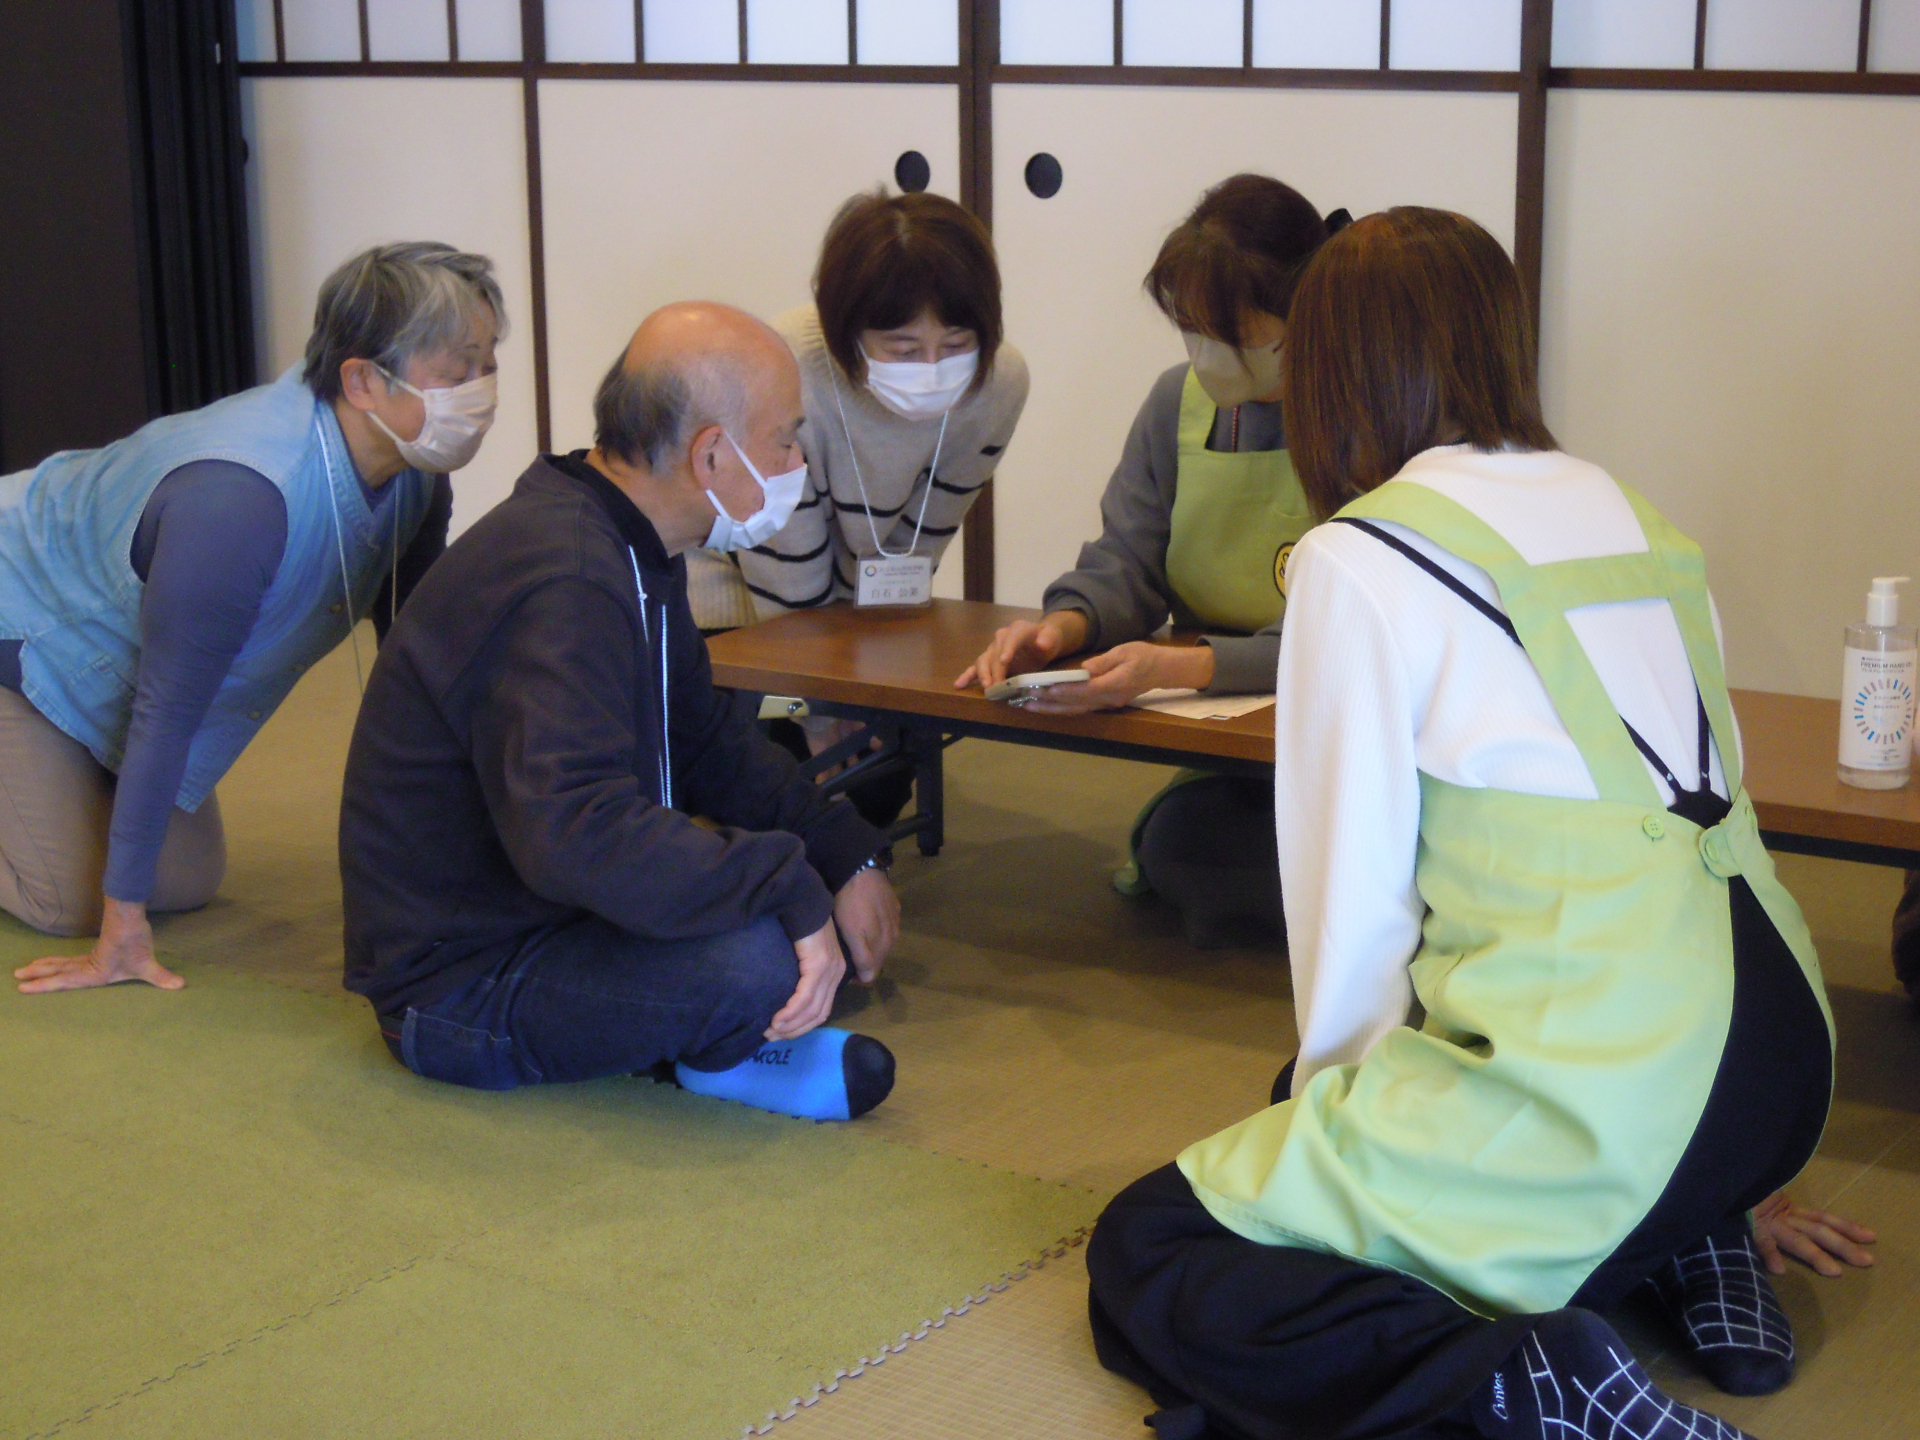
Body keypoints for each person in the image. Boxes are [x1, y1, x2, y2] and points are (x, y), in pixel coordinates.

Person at [1083, 209, 1863, 1440]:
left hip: (1606, 1088)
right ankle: (1690, 1240)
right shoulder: (1631, 511)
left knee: (1159, 1248)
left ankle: (1526, 1387)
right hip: (1775, 1058)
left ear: (1331, 374)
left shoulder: (1361, 552)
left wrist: (1332, 1139)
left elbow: (1354, 913)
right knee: (1384, 1170)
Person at [337, 302, 900, 1123]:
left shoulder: (623, 535)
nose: (793, 464)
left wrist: (842, 854)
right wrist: (787, 887)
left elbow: (705, 739)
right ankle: (717, 1054)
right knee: (761, 959)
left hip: (553, 912)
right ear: (712, 452)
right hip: (461, 983)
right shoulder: (567, 577)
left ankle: (720, 1032)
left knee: (795, 920)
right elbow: (576, 830)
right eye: (784, 439)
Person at [9, 241, 502, 994]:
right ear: (363, 380)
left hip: (110, 651)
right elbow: (167, 710)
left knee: (187, 876)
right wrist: (119, 931)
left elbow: (418, 662)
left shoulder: (414, 477)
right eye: (457, 369)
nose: (480, 392)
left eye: (488, 364)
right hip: (23, 618)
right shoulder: (241, 505)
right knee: (70, 900)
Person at [957, 175, 1344, 948]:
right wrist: (1063, 628)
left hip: (1341, 727)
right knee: (1186, 856)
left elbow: (1348, 633)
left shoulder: (1362, 411)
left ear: (1298, 314)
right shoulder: (1177, 403)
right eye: (1192, 330)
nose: (1205, 355)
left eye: (1227, 332)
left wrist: (1179, 669)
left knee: (1327, 865)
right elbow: (1126, 559)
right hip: (1227, 737)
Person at [689, 189, 1028, 828]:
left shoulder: (998, 384)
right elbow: (784, 579)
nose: (933, 368)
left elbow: (918, 544)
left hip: (855, 614)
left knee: (881, 765)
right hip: (737, 621)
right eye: (903, 350)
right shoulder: (787, 376)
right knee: (776, 740)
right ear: (848, 335)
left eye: (956, 342)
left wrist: (868, 688)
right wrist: (819, 715)